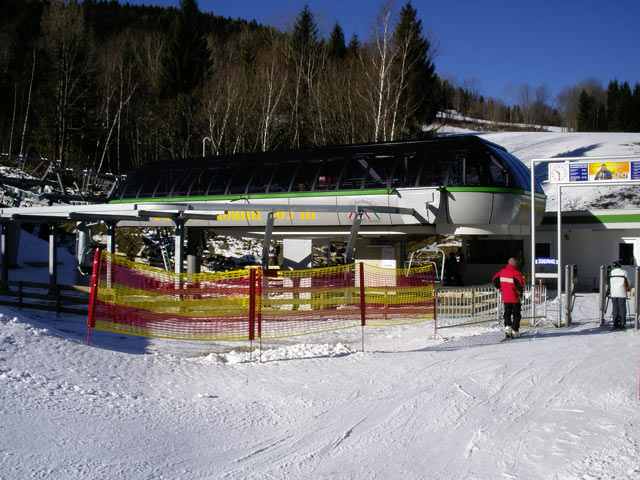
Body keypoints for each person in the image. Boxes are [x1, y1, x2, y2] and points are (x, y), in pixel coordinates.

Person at [492, 257, 525, 338]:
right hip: (514, 297)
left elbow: (494, 280)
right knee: (516, 314)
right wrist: (519, 294)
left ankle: (507, 328)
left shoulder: (502, 272)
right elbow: (519, 286)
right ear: (515, 264)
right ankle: (515, 331)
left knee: (507, 313)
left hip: (505, 297)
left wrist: (500, 288)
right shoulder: (516, 273)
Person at [609, 260, 629, 329]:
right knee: (622, 308)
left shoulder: (611, 272)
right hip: (622, 292)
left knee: (615, 308)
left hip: (613, 293)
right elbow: (629, 282)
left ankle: (615, 322)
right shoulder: (624, 272)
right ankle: (622, 323)